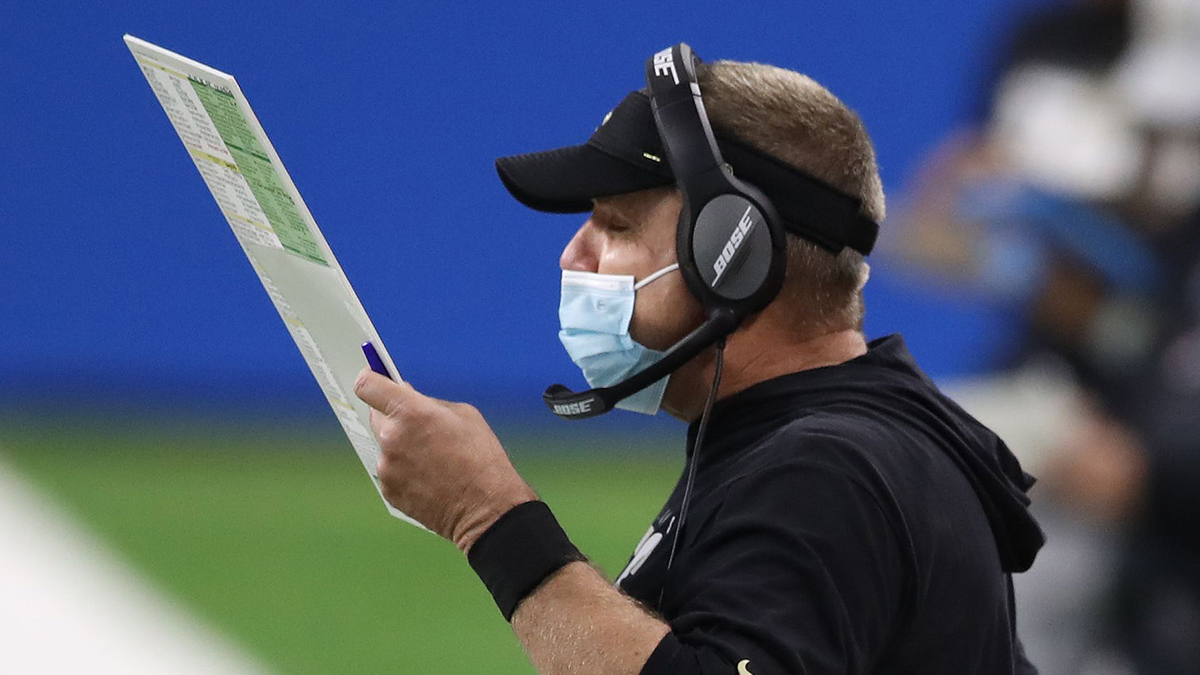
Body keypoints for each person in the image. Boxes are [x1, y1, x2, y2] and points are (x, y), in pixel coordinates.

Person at [354, 46, 1045, 675]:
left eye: (616, 224)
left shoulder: (825, 472)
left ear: (732, 257)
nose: (573, 255)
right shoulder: (843, 441)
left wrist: (488, 515)